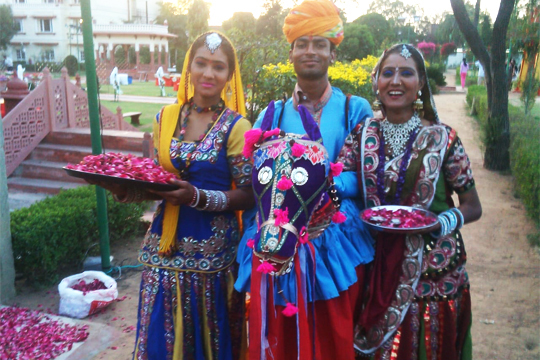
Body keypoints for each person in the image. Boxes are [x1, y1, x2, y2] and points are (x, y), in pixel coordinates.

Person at [89, 32, 254, 360]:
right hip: (162, 250)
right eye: (201, 63)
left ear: (229, 75)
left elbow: (249, 195)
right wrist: (122, 190)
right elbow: (156, 183)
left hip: (212, 256)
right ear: (189, 66)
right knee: (160, 341)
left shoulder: (237, 126)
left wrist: (197, 197)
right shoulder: (165, 118)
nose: (208, 73)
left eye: (218, 67)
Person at [235, 1, 375, 359]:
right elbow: (256, 179)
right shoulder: (271, 113)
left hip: (333, 242)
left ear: (332, 51)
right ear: (291, 51)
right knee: (279, 335)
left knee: (333, 336)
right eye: (302, 43)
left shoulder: (353, 109)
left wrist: (326, 185)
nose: (310, 50)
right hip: (277, 242)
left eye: (319, 43)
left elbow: (369, 180)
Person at [337, 44, 482, 358]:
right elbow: (340, 184)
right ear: (376, 82)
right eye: (387, 73)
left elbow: (473, 205)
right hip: (375, 265)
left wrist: (441, 221)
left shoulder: (444, 138)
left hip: (433, 270)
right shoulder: (362, 134)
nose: (395, 81)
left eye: (406, 73)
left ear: (420, 84)